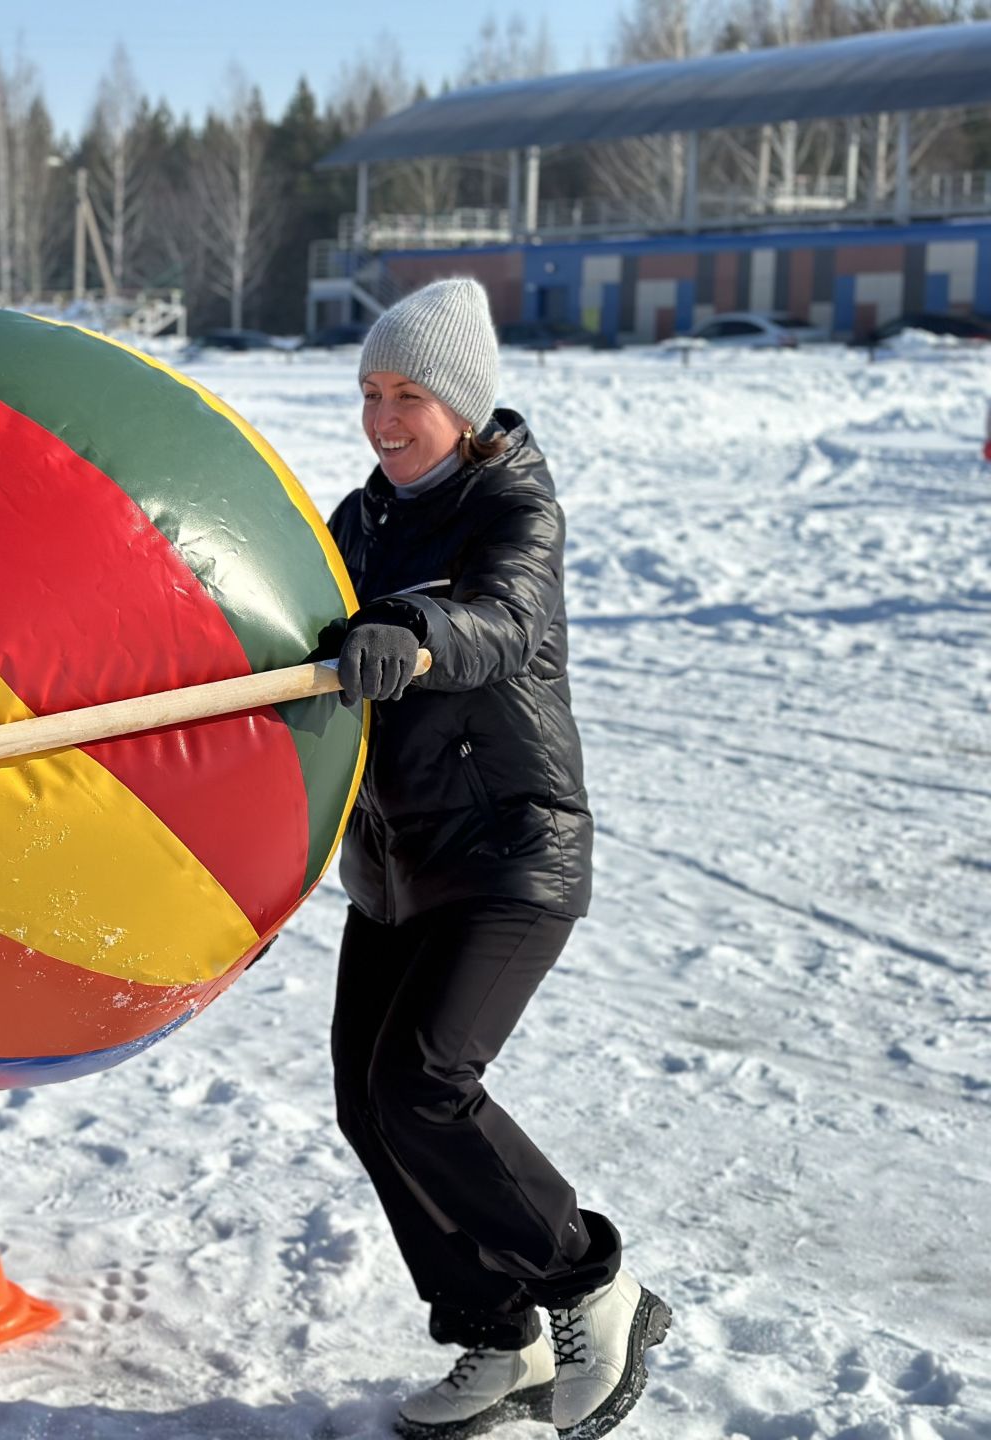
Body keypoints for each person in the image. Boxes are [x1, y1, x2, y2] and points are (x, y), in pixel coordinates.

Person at [324, 279, 670, 1440]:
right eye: (371, 391)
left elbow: (502, 619)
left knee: (424, 1083)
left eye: (409, 395)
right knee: (369, 1108)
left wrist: (410, 630)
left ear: (464, 406)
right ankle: (495, 1334)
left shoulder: (514, 505)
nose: (382, 418)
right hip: (393, 863)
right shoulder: (359, 520)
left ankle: (585, 1281)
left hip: (510, 848)